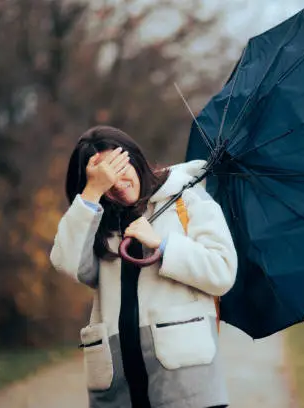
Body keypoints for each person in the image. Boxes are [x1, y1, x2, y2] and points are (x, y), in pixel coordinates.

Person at [50, 125, 238, 408]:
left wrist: (162, 245)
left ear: (136, 158)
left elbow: (223, 270)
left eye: (120, 166)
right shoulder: (98, 222)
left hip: (183, 383)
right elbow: (66, 263)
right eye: (105, 178)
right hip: (119, 387)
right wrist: (91, 192)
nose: (116, 182)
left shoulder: (186, 198)